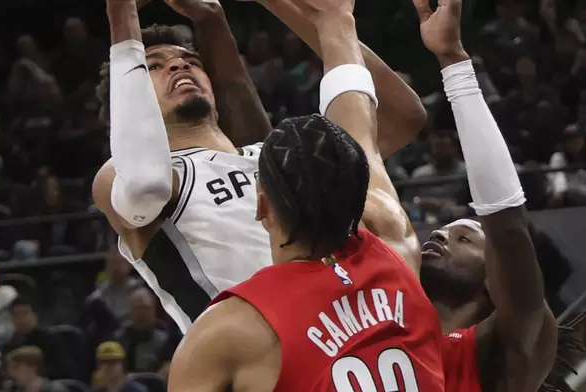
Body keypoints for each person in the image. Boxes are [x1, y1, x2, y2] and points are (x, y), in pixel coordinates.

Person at [93, 0, 425, 332]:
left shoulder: (281, 154)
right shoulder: (122, 176)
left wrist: (323, 17)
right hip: (269, 364)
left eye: (191, 61)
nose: (180, 66)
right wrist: (122, 14)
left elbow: (400, 116)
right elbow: (144, 187)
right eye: (152, 66)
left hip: (360, 331)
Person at [167, 0, 442, 390]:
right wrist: (336, 22)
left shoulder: (228, 329)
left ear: (259, 205)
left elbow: (379, 124)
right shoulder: (393, 240)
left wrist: (120, 21)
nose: (179, 68)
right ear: (360, 195)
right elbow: (358, 125)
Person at [412, 0, 558, 391]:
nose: (440, 235)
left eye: (463, 238)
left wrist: (454, 65)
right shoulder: (384, 339)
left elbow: (507, 228)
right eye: (444, 232)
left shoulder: (510, 351)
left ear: (495, 277)